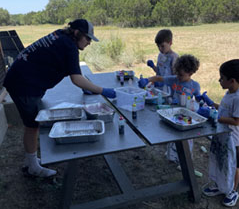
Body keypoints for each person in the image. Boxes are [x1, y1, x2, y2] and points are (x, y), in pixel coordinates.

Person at [3, 19, 116, 178]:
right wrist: (103, 90)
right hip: (24, 84)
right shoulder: (69, 46)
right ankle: (32, 167)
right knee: (32, 125)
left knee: (32, 123)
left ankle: (30, 161)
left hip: (20, 77)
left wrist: (86, 85)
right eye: (88, 38)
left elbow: (73, 72)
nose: (89, 42)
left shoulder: (61, 35)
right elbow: (76, 78)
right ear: (77, 33)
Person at [202, 59, 239, 207]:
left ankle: (232, 191)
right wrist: (210, 103)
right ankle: (220, 185)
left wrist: (216, 117)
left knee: (233, 166)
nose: (219, 80)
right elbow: (223, 107)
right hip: (223, 136)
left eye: (222, 78)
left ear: (232, 80)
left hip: (234, 141)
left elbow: (236, 121)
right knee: (221, 161)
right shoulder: (229, 93)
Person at [139, 54, 201, 163]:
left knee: (187, 138)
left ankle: (185, 158)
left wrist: (201, 102)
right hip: (172, 113)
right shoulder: (174, 80)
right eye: (177, 73)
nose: (178, 77)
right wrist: (147, 80)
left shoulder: (194, 86)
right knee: (172, 135)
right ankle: (172, 156)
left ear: (190, 73)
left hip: (186, 115)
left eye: (181, 75)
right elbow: (158, 78)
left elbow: (198, 99)